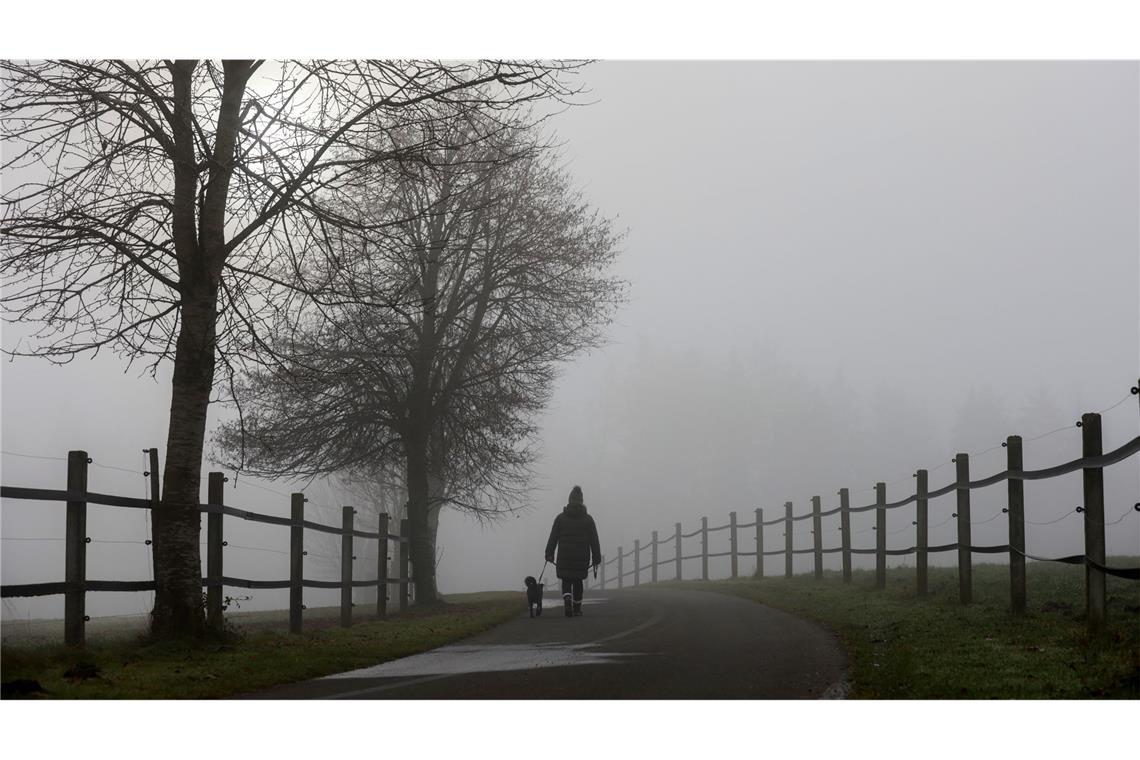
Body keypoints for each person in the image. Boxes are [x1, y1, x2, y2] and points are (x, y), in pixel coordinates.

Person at [545, 485, 601, 618]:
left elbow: (553, 537)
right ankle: (577, 608)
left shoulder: (560, 518)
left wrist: (549, 553)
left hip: (564, 555)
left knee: (566, 580)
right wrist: (596, 557)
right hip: (581, 556)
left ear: (569, 500)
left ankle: (567, 600)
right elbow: (594, 540)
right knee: (577, 581)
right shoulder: (588, 520)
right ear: (581, 501)